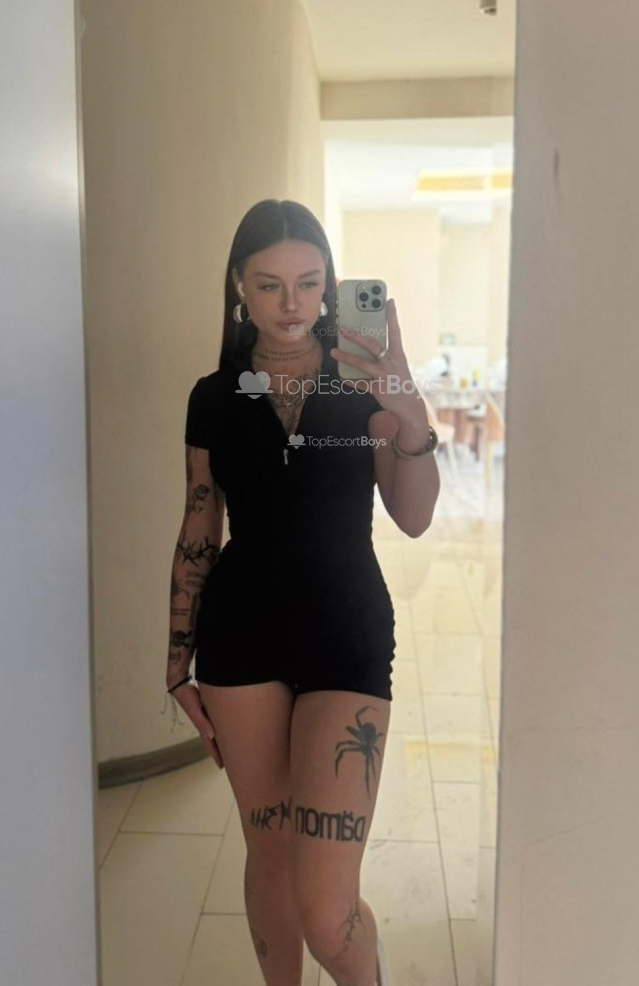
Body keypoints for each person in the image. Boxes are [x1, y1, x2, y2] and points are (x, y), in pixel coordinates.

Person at [165, 199, 440, 986]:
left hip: (345, 633)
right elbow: (198, 524)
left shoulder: (363, 383)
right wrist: (176, 664)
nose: (292, 304)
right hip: (239, 636)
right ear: (238, 287)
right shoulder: (212, 396)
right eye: (269, 284)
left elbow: (414, 517)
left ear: (330, 284)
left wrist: (408, 410)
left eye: (310, 283)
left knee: (327, 908)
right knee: (269, 851)